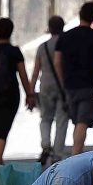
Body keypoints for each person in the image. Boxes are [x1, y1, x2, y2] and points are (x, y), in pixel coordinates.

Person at [55, 3, 93, 156]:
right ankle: (76, 155)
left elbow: (57, 61)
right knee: (82, 122)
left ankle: (76, 153)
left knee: (78, 121)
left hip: (70, 85)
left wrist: (62, 81)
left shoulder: (65, 36)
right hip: (90, 85)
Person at [0, 17, 36, 164]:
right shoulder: (14, 51)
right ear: (11, 31)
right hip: (10, 94)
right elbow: (23, 75)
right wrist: (29, 94)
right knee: (2, 128)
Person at [30, 15, 69, 165]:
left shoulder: (43, 47)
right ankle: (57, 153)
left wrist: (31, 92)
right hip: (63, 86)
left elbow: (35, 71)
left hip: (45, 85)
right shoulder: (65, 45)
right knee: (62, 120)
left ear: (50, 28)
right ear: (62, 27)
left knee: (46, 117)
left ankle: (46, 145)